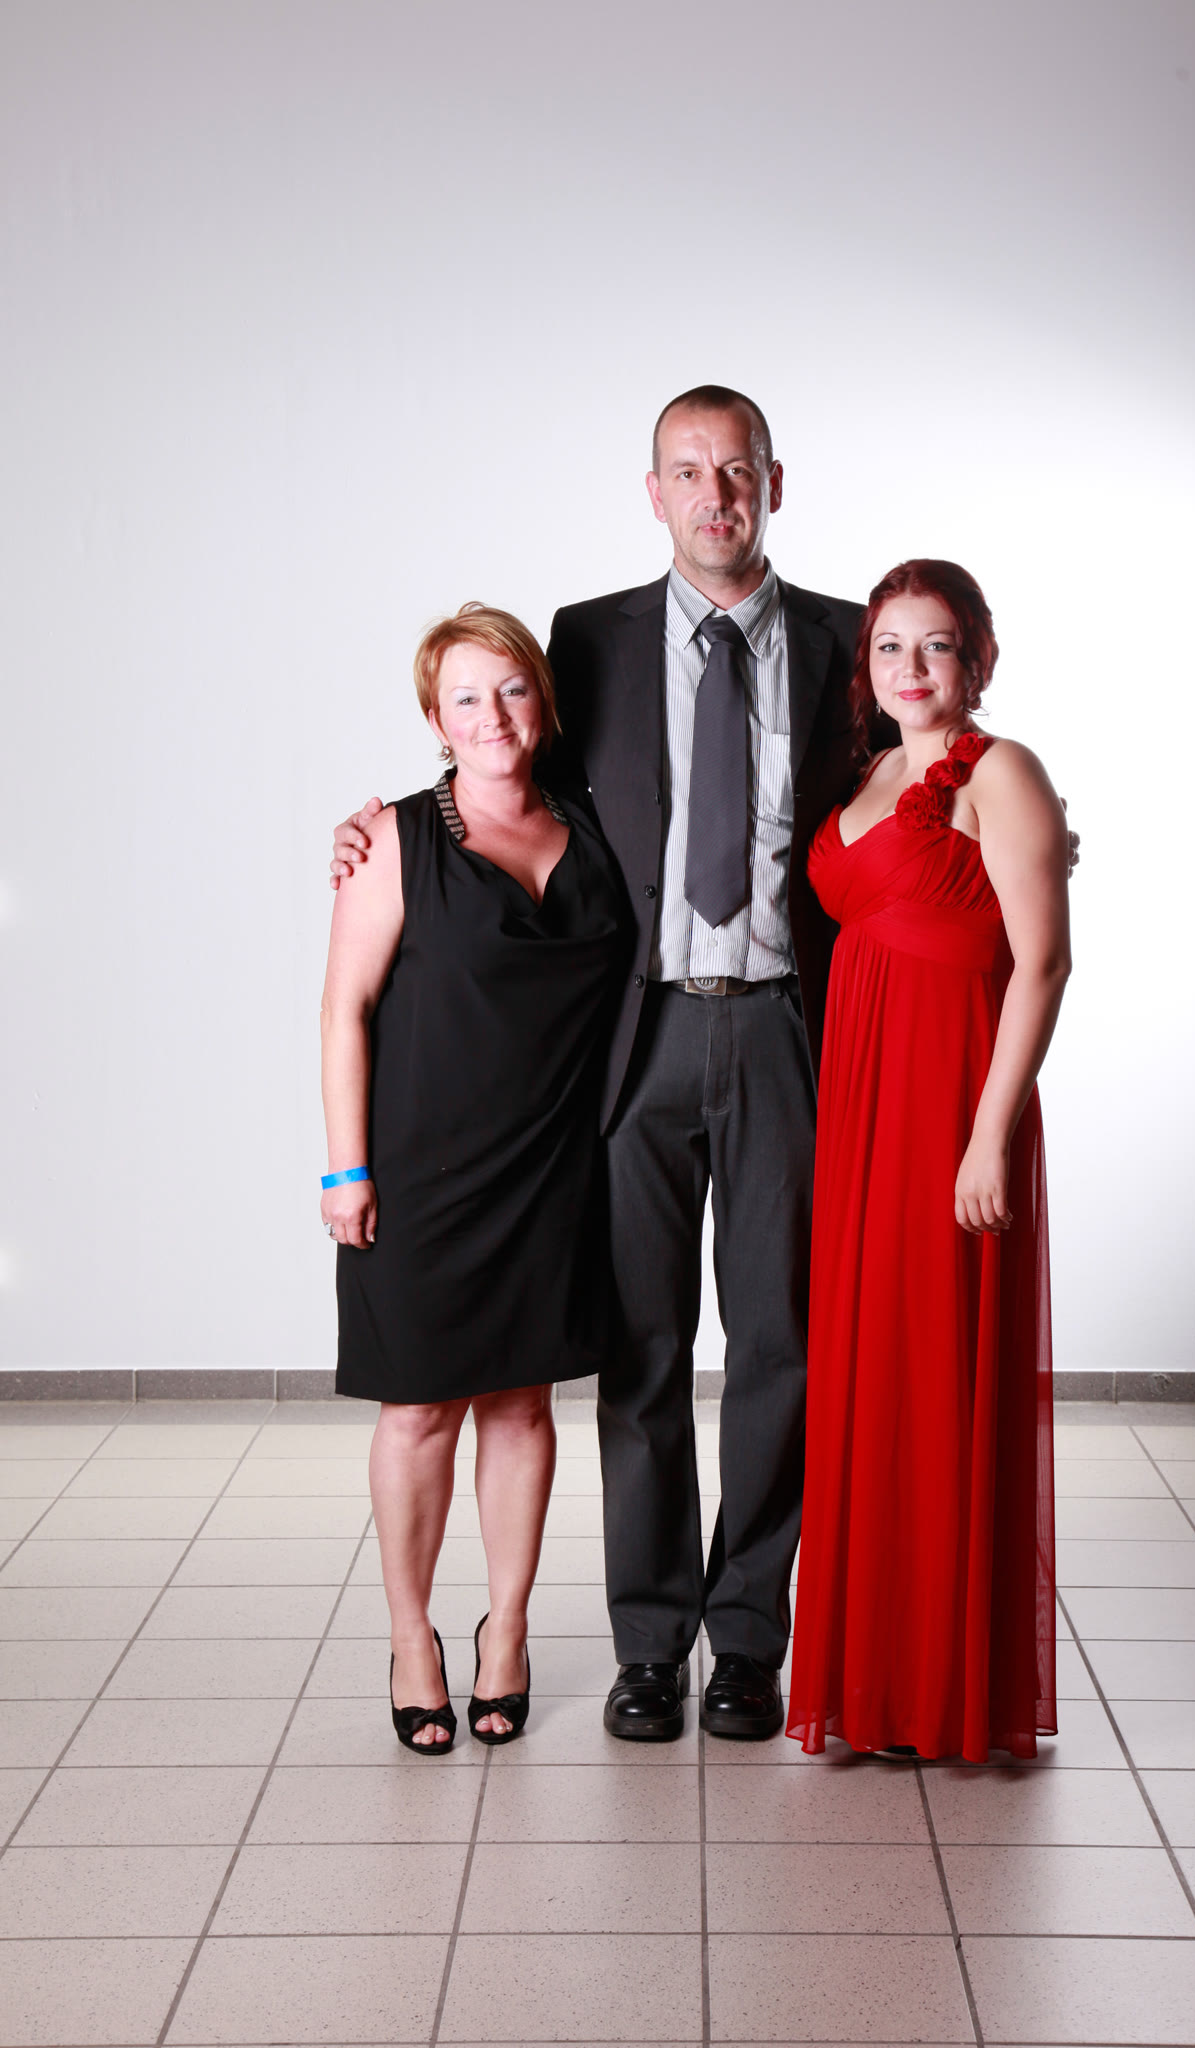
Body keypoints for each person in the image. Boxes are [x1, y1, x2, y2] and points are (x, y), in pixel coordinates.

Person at [333, 387, 868, 1742]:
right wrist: (379, 829)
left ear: (774, 482)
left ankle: (747, 1642)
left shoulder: (843, 640)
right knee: (639, 1350)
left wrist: (1011, 811)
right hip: (634, 1044)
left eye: (736, 470)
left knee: (779, 1348)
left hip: (784, 1027)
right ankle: (648, 1645)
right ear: (653, 493)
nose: (713, 494)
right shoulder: (589, 640)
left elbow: (909, 776)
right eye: (687, 471)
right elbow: (501, 764)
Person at [320, 604, 627, 1752]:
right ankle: (412, 1636)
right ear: (434, 719)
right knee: (416, 1410)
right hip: (419, 1173)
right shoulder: (395, 839)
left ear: (542, 700)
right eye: (465, 697)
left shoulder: (598, 822)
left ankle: (508, 1629)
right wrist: (344, 1166)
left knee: (521, 1403)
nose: (492, 715)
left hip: (554, 1166)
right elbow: (343, 1010)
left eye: (511, 689)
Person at [786, 559, 1067, 1762]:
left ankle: (944, 1684)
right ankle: (879, 1678)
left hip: (951, 1103)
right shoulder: (872, 773)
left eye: (936, 644)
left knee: (939, 1370)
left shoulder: (1001, 771)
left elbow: (1043, 963)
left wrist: (989, 1132)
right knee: (875, 1372)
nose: (911, 666)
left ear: (977, 656)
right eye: (890, 645)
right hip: (862, 1105)